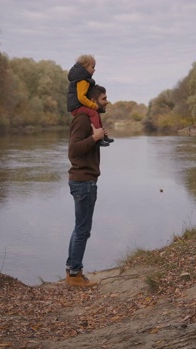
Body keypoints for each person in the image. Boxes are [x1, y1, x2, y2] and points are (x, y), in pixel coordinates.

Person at [65, 84, 109, 287]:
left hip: (85, 181)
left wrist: (98, 138)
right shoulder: (82, 119)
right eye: (103, 99)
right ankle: (74, 275)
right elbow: (73, 150)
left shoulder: (89, 119)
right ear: (92, 100)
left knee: (80, 228)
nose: (106, 101)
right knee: (83, 230)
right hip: (83, 182)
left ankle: (72, 271)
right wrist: (94, 138)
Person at [67, 54, 114, 147]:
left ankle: (102, 136)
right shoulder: (82, 80)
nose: (94, 70)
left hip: (77, 106)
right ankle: (100, 138)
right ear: (85, 67)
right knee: (93, 113)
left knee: (95, 113)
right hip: (76, 107)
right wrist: (92, 105)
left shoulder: (83, 79)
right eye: (92, 67)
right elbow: (81, 97)